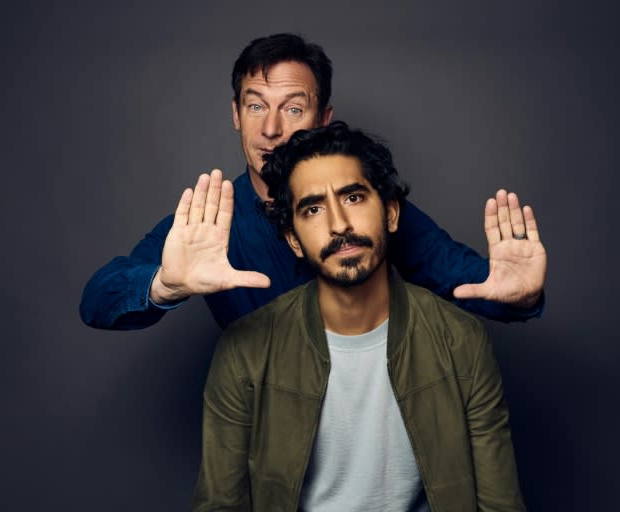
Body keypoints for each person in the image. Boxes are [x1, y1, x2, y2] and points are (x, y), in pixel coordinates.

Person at [79, 33, 547, 330]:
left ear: (323, 120)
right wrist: (164, 285)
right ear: (236, 115)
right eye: (256, 105)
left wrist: (519, 295)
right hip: (271, 447)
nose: (271, 129)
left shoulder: (367, 210)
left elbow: (471, 280)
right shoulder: (206, 225)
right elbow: (98, 300)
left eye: (293, 109)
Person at [192, 121, 527, 511]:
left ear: (391, 213)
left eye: (353, 198)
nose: (339, 224)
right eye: (313, 208)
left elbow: (500, 505)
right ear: (293, 240)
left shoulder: (460, 339)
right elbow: (219, 505)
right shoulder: (244, 350)